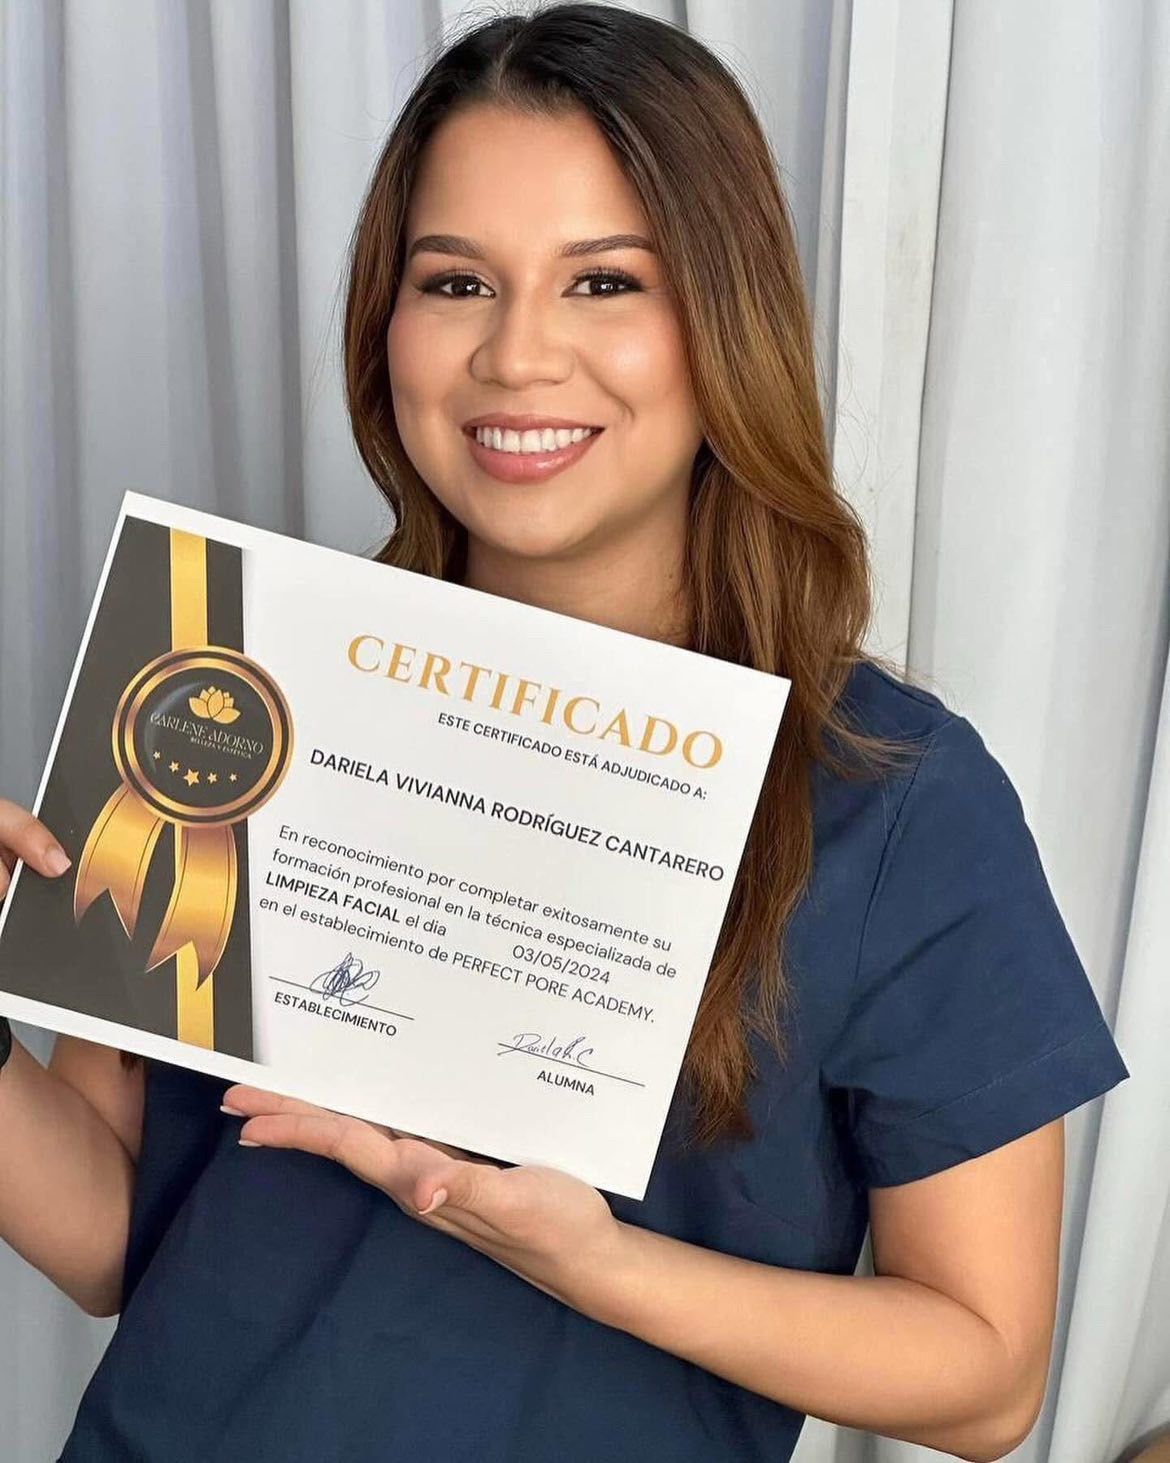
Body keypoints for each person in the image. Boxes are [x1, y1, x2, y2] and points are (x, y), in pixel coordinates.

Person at [0, 5, 1129, 1460]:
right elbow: (110, 1236)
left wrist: (590, 1262)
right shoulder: (235, 681)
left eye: (604, 281)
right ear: (386, 324)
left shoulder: (889, 795)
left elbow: (984, 1377)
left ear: (724, 320)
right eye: (456, 280)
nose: (519, 354)